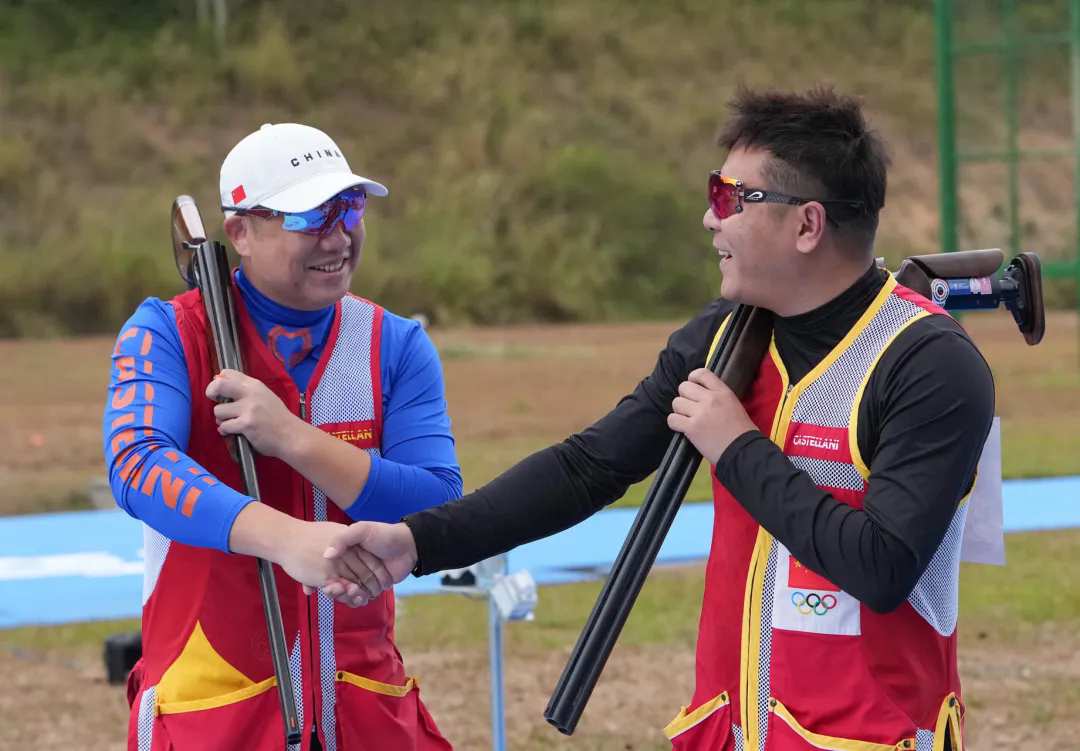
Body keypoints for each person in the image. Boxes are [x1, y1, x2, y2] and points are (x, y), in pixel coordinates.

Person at [319, 86, 997, 750]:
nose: (709, 219)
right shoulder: (728, 337)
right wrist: (419, 542)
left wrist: (736, 446)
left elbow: (882, 566)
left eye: (729, 198)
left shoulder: (929, 363)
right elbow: (588, 467)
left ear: (807, 225)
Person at [102, 122, 463, 751]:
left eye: (350, 207)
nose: (338, 235)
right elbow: (138, 467)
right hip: (214, 710)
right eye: (310, 215)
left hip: (364, 706)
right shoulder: (169, 331)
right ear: (240, 232)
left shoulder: (396, 342)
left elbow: (435, 500)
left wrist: (292, 437)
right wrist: (285, 539)